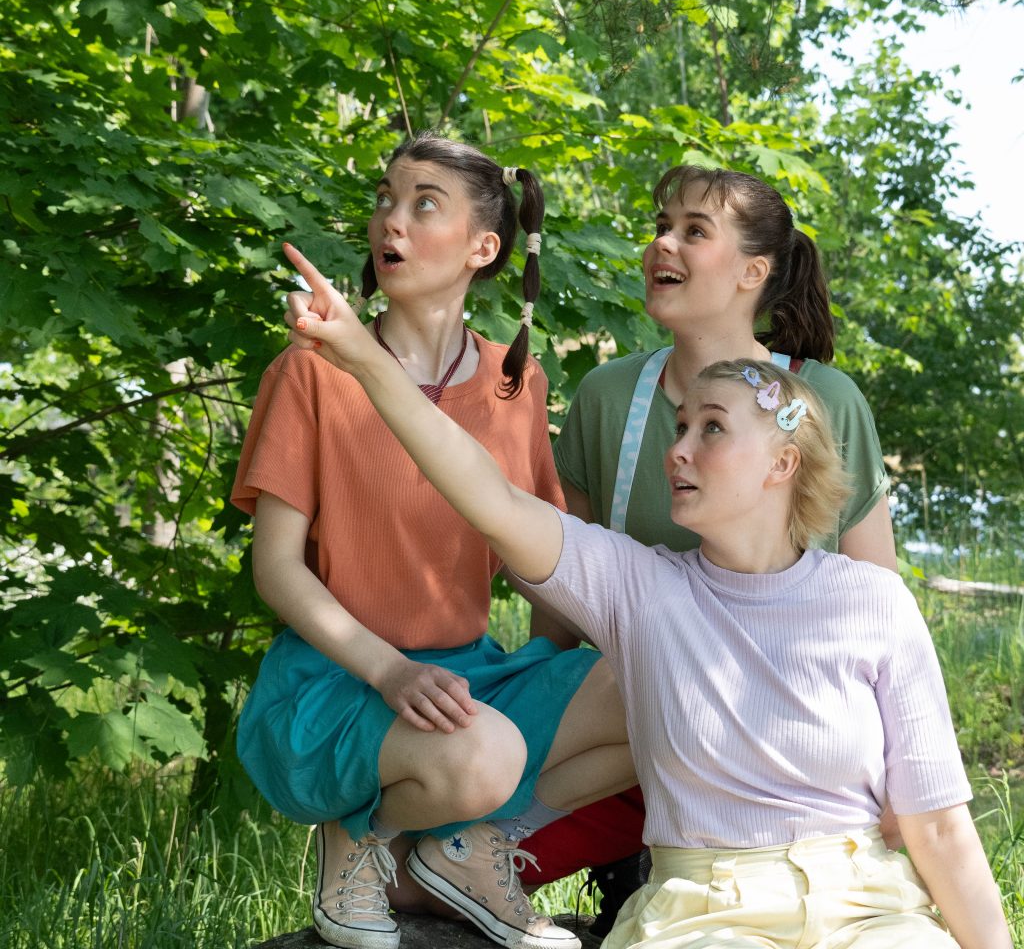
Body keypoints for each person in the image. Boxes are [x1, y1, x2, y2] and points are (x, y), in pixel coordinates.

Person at [279, 264, 1012, 949]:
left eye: (712, 428)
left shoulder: (871, 601)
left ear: (783, 464)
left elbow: (942, 829)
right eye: (681, 426)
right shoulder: (640, 587)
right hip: (702, 913)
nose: (679, 449)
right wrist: (363, 358)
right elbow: (490, 497)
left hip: (873, 908)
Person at [231, 133, 634, 949]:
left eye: (424, 205)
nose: (393, 223)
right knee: (482, 754)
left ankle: (462, 848)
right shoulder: (312, 370)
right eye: (386, 200)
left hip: (466, 677)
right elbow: (274, 568)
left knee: (664, 693)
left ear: (483, 248)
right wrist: (389, 668)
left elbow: (535, 564)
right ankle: (358, 840)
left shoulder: (514, 382)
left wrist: (584, 663)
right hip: (337, 682)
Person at [523, 164, 901, 925]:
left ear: (753, 273)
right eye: (662, 226)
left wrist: (899, 799)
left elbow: (880, 612)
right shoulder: (606, 399)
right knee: (413, 875)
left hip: (789, 760)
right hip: (630, 746)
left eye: (694, 231)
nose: (663, 243)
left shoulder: (825, 402)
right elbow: (560, 621)